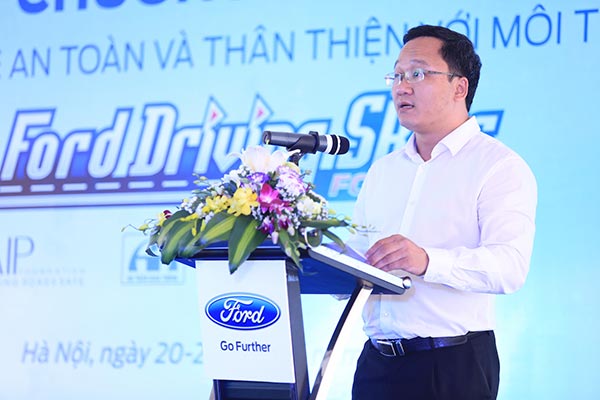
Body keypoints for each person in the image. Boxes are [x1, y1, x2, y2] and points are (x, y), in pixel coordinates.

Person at [348, 25, 537, 400]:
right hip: (376, 364)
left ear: (459, 87)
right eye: (397, 76)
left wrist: (427, 261)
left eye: (417, 74)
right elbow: (358, 256)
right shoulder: (383, 170)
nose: (401, 87)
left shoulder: (499, 166)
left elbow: (509, 267)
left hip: (451, 364)